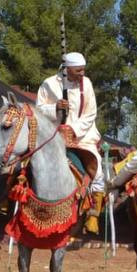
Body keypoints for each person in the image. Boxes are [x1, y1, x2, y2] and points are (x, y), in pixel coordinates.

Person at [36, 51, 104, 193]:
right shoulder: (49, 84)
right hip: (52, 138)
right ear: (67, 69)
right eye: (78, 70)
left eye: (83, 69)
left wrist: (72, 130)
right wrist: (55, 108)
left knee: (98, 174)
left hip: (83, 138)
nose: (82, 73)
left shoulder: (87, 83)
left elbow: (91, 113)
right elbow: (39, 110)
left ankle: (94, 213)